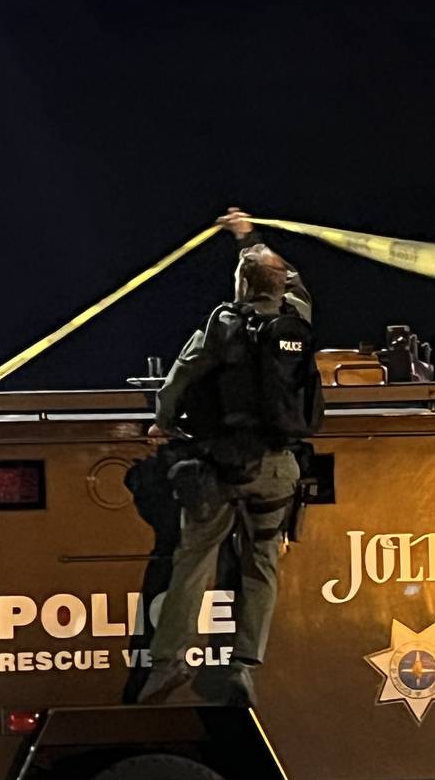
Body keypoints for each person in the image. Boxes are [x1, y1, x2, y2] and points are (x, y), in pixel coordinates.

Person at [137, 207, 322, 705]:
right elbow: (292, 280)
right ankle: (243, 665)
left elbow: (181, 378)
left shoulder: (222, 326)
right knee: (262, 562)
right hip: (277, 467)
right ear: (281, 286)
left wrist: (163, 422)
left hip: (219, 465)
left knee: (194, 557)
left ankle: (168, 663)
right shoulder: (296, 318)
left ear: (242, 286)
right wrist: (251, 238)